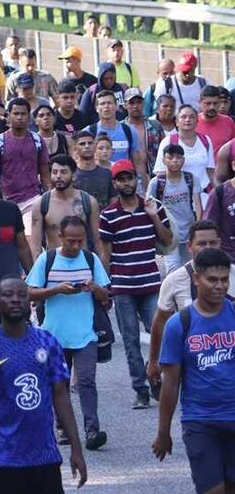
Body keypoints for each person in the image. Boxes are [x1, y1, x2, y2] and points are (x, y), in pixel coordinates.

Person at [0, 277, 88, 494]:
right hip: (6, 458)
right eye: (8, 295)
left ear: (29, 302)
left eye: (21, 295)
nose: (15, 300)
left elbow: (61, 396)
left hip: (46, 455)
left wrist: (76, 448)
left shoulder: (47, 342)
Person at [153, 247, 235, 494]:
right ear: (196, 278)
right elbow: (170, 383)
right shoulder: (180, 324)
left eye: (224, 280)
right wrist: (163, 432)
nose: (219, 286)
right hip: (200, 421)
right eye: (212, 280)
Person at [26, 216, 112, 451]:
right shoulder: (47, 259)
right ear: (60, 238)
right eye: (71, 241)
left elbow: (106, 297)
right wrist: (57, 290)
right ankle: (62, 427)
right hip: (54, 336)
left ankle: (92, 430)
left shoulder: (90, 259)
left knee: (86, 381)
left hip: (85, 334)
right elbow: (29, 292)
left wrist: (94, 288)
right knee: (59, 384)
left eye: (80, 241)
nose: (75, 246)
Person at [99, 159, 172, 409]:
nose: (126, 182)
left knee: (158, 336)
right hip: (123, 287)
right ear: (115, 183)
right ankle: (140, 389)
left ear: (136, 179)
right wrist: (106, 288)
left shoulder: (153, 206)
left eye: (129, 177)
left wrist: (153, 217)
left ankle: (156, 379)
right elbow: (105, 256)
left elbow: (168, 240)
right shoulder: (107, 215)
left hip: (150, 283)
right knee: (130, 341)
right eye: (121, 179)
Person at [146, 220, 235, 392]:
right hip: (194, 365)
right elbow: (160, 321)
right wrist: (154, 361)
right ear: (189, 247)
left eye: (213, 243)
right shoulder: (174, 280)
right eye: (202, 243)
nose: (208, 247)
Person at [149, 143, 203, 272]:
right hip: (170, 234)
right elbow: (151, 207)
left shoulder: (191, 179)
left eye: (178, 157)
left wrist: (197, 228)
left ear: (183, 160)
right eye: (170, 157)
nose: (175, 161)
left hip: (189, 231)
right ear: (163, 160)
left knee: (190, 269)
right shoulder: (156, 182)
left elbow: (198, 205)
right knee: (173, 270)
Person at [33, 154, 101, 254]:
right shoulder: (41, 204)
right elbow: (36, 247)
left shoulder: (89, 202)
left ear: (73, 176)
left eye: (63, 172)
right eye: (55, 172)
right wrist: (38, 268)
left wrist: (101, 267)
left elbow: (98, 242)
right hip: (54, 265)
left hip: (82, 264)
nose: (58, 176)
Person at [71, 130, 113, 208]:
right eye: (82, 144)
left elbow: (113, 203)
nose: (87, 146)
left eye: (90, 143)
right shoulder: (71, 176)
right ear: (75, 149)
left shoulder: (107, 174)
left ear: (95, 146)